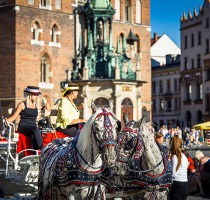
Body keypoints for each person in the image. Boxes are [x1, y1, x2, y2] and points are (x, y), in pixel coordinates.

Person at [4, 86, 43, 150]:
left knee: (34, 136)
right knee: (35, 129)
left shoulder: (36, 105)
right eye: (35, 95)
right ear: (30, 95)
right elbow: (14, 117)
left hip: (32, 128)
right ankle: (43, 149)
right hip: (24, 126)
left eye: (37, 95)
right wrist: (6, 121)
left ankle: (34, 154)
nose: (36, 97)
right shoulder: (22, 104)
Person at [169, 135, 189, 200]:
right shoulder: (184, 156)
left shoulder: (175, 157)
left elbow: (173, 174)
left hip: (177, 184)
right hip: (185, 183)